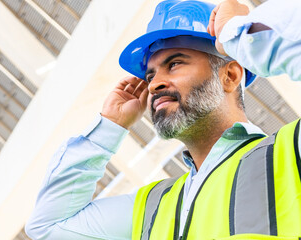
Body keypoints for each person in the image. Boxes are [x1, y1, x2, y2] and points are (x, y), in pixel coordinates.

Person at [25, 0, 301, 239]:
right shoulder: (155, 206)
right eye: (149, 76)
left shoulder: (289, 155)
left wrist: (237, 34)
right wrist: (109, 127)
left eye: (174, 63)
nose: (154, 84)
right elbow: (49, 225)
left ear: (230, 76)